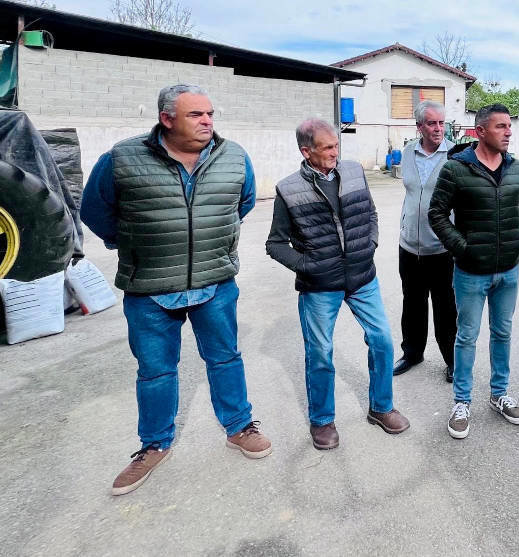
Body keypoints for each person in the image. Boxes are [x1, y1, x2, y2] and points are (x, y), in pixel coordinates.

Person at [81, 84, 271, 496]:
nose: (207, 122)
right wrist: (135, 243)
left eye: (210, 114)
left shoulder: (233, 157)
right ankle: (154, 445)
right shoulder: (122, 159)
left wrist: (211, 241)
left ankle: (239, 427)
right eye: (196, 115)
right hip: (150, 286)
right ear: (167, 119)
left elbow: (245, 202)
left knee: (225, 358)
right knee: (155, 371)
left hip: (215, 281)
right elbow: (95, 212)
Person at [266, 118, 409, 451]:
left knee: (383, 341)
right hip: (320, 287)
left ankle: (381, 407)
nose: (335, 152)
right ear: (307, 151)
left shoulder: (354, 172)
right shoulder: (288, 189)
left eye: (336, 145)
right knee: (320, 353)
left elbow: (370, 213)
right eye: (328, 147)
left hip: (362, 278)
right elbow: (275, 243)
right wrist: (308, 267)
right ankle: (322, 420)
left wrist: (369, 244)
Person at [428, 103, 519, 440]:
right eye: (501, 126)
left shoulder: (517, 168)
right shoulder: (456, 169)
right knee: (467, 336)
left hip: (509, 270)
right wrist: (462, 247)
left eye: (509, 126)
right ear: (481, 131)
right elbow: (437, 214)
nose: (508, 132)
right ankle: (461, 402)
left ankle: (499, 394)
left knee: (502, 333)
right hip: (471, 272)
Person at [392, 100, 457, 383]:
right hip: (409, 246)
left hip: (442, 249)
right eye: (432, 123)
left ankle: (452, 360)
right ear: (419, 126)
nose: (438, 128)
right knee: (412, 303)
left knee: (446, 308)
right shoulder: (407, 152)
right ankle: (412, 353)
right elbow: (410, 193)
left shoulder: (455, 155)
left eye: (442, 123)